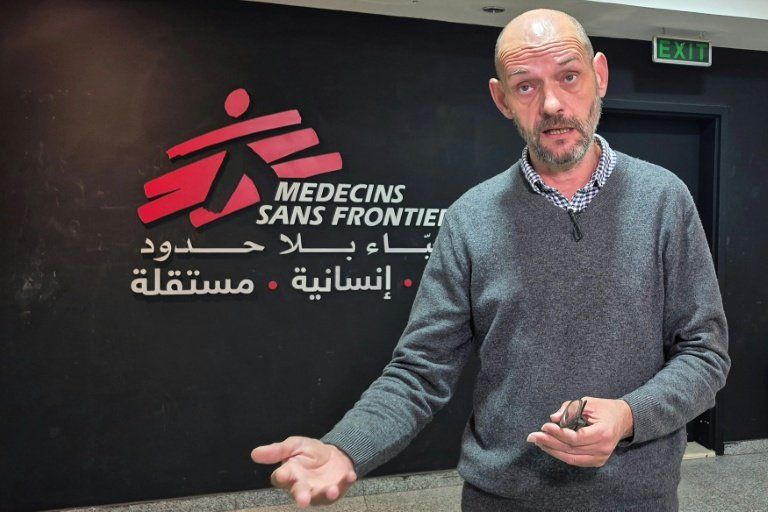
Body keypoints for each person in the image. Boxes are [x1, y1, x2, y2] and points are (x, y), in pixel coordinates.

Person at [251, 8, 730, 511]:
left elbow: (705, 353)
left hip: (637, 499)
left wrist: (630, 416)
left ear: (600, 76)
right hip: (502, 498)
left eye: (569, 77)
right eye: (525, 86)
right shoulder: (470, 219)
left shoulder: (663, 200)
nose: (552, 104)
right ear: (502, 99)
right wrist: (347, 447)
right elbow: (421, 369)